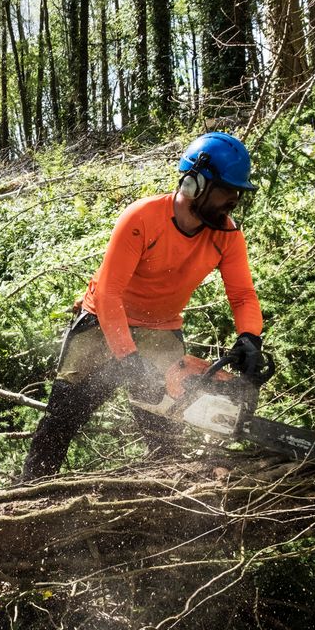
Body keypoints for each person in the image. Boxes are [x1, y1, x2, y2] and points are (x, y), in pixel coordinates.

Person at [20, 132, 264, 481]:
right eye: (227, 190)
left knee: (165, 430)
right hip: (103, 321)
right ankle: (28, 496)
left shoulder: (227, 235)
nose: (234, 200)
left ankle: (163, 503)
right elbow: (109, 295)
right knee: (62, 420)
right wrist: (129, 359)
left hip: (161, 329)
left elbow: (242, 296)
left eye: (238, 192)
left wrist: (249, 338)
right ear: (196, 183)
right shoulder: (142, 219)